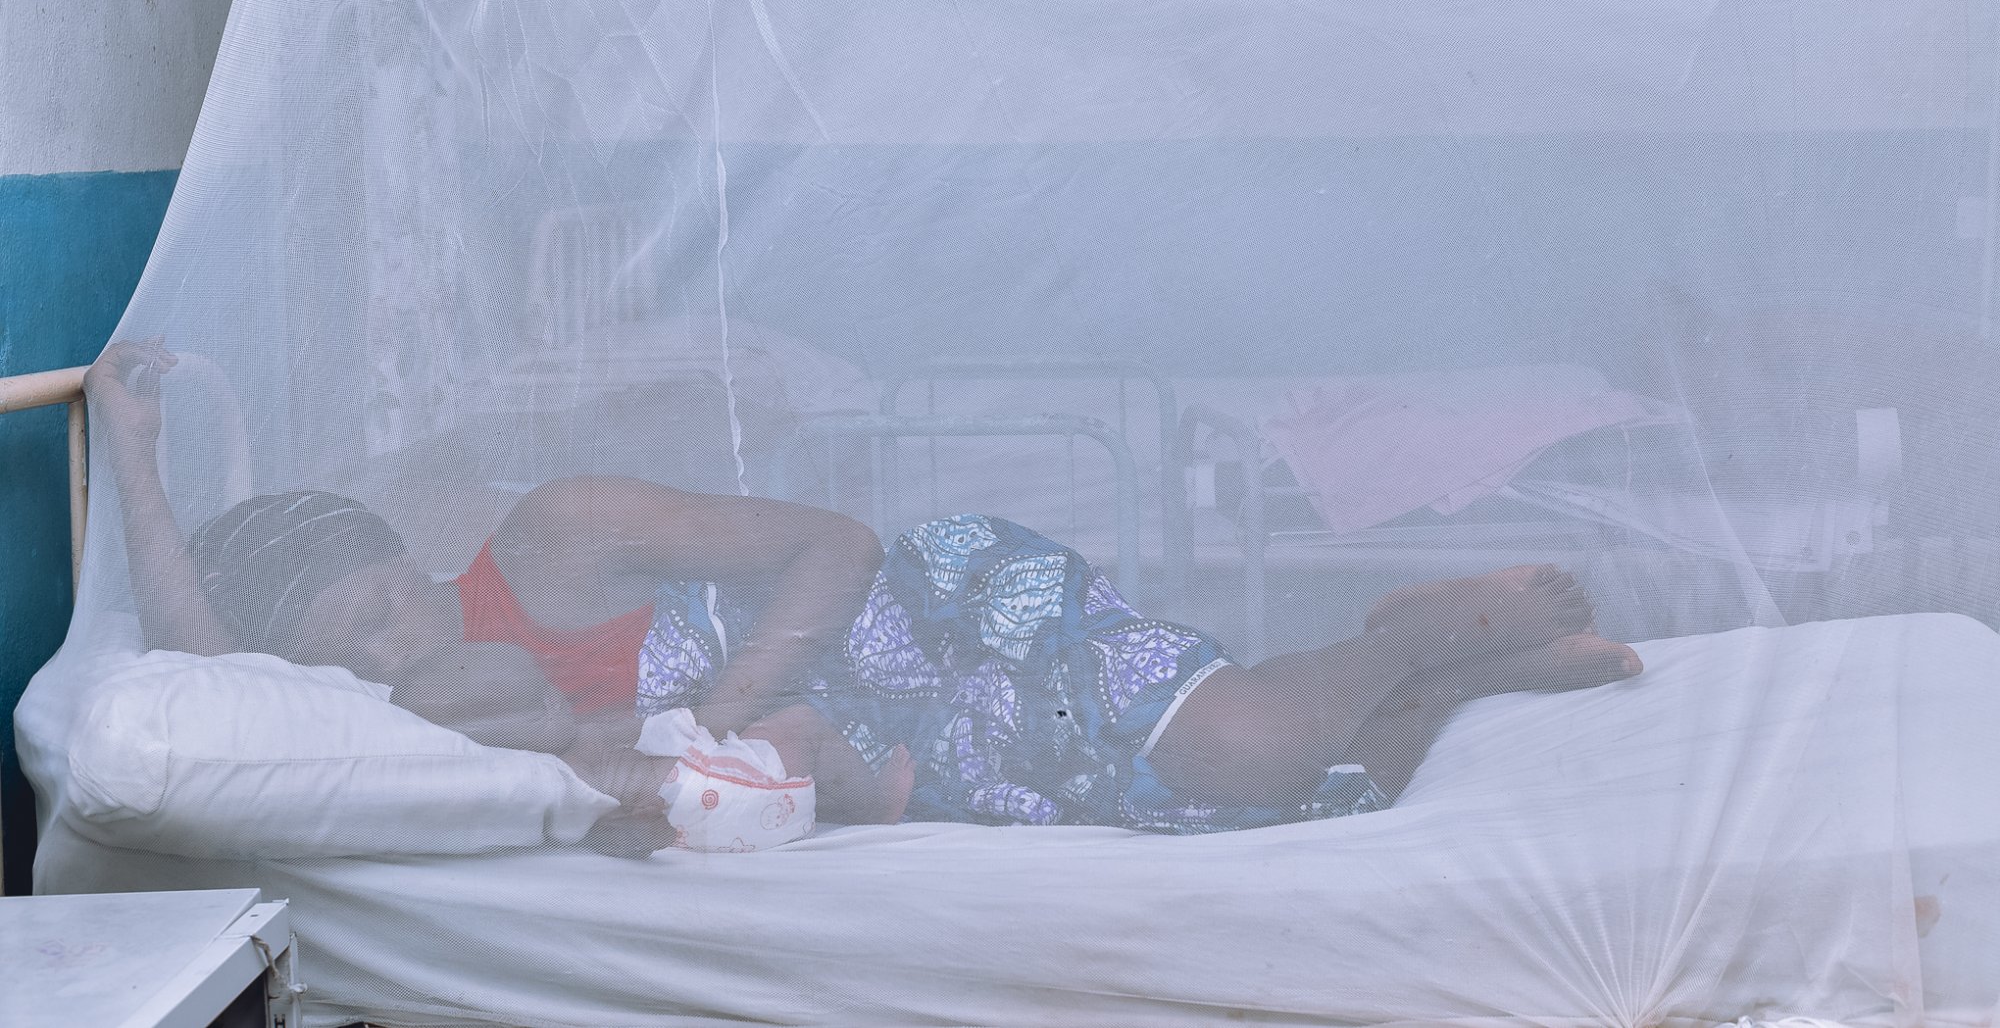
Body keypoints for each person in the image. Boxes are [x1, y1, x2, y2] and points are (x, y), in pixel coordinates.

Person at [87, 339, 1642, 851]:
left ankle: (1407, 632)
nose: (384, 645)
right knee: (1271, 793)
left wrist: (741, 692)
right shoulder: (417, 717)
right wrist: (136, 463)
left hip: (937, 602)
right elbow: (215, 671)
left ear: (387, 549)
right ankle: (1443, 686)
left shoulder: (551, 535)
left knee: (1235, 747)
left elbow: (833, 538)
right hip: (886, 730)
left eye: (369, 605)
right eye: (345, 654)